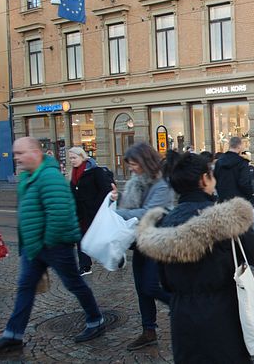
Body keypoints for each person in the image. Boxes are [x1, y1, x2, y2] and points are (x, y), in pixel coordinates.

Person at [135, 151, 254, 362]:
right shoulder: (226, 218)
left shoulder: (163, 223)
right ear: (204, 179)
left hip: (182, 319)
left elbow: (163, 282)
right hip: (223, 317)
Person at [0, 138, 105, 354]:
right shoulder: (28, 176)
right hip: (35, 246)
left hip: (55, 245)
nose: (16, 158)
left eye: (20, 153)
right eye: (15, 153)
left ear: (36, 152)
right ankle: (13, 333)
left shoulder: (49, 176)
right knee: (25, 288)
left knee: (74, 283)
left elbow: (59, 213)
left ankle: (95, 318)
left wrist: (47, 243)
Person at [110, 142, 174, 351]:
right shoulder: (136, 183)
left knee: (151, 286)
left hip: (158, 240)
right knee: (142, 289)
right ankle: (149, 331)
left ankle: (182, 306)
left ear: (146, 161)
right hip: (140, 242)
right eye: (129, 165)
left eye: (134, 164)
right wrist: (115, 201)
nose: (132, 169)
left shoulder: (162, 184)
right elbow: (130, 208)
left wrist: (117, 214)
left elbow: (149, 212)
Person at [68, 147, 114, 276]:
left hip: (94, 212)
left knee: (102, 239)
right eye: (70, 158)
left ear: (82, 157)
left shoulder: (95, 171)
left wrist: (95, 205)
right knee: (81, 239)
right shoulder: (73, 173)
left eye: (74, 157)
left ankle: (116, 256)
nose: (72, 160)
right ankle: (85, 266)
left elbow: (105, 190)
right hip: (80, 213)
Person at [214, 137, 254, 205]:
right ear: (239, 146)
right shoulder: (242, 163)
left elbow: (215, 180)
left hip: (223, 200)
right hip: (239, 201)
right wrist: (250, 195)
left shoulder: (219, 162)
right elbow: (244, 183)